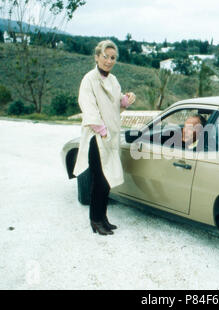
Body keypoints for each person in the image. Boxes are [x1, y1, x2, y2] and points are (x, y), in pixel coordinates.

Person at [73, 40, 136, 236]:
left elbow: (116, 104)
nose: (109, 61)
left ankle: (103, 218)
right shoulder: (89, 80)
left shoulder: (113, 80)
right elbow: (88, 107)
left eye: (113, 58)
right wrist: (102, 131)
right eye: (105, 56)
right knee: (99, 180)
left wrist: (125, 100)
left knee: (106, 180)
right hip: (98, 137)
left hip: (111, 136)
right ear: (97, 57)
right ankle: (95, 220)